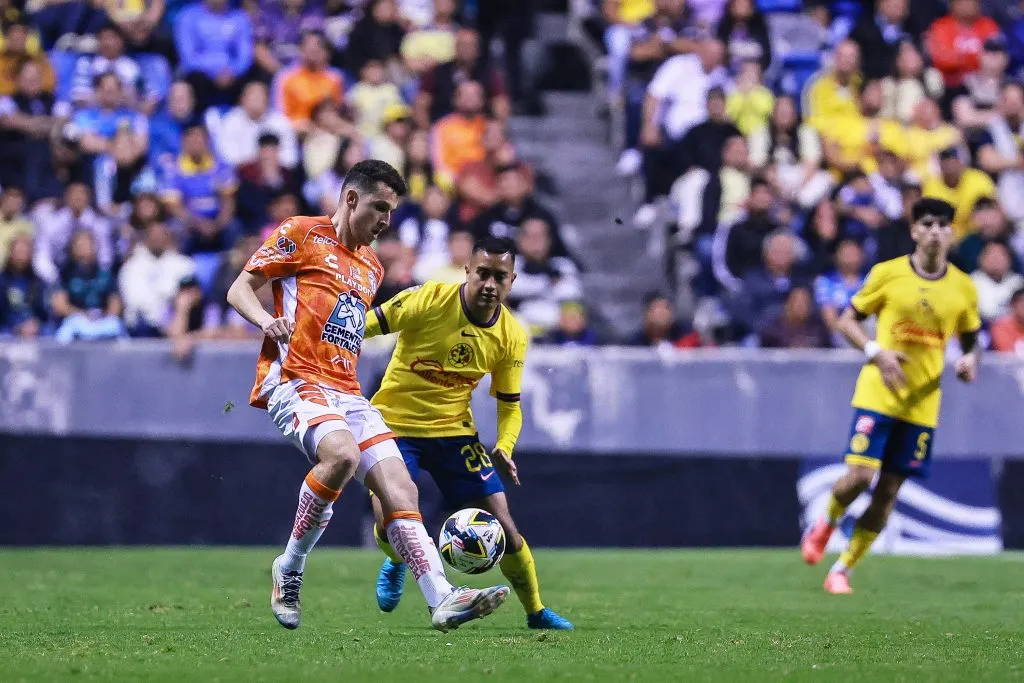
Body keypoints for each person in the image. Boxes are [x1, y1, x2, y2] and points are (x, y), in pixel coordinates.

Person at [225, 159, 509, 632]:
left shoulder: (372, 266)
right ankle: (289, 567)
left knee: (402, 488)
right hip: (295, 378)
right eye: (379, 207)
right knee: (341, 456)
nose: (385, 220)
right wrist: (266, 321)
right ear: (351, 199)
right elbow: (240, 289)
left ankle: (442, 598)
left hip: (347, 390)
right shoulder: (302, 232)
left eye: (391, 211)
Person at [361, 235, 573, 631]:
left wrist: (505, 445)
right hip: (392, 425)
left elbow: (509, 404)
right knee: (391, 517)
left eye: (500, 277)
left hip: (455, 434)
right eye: (483, 274)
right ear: (467, 271)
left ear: (512, 281)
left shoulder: (511, 335)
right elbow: (363, 326)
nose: (490, 284)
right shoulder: (429, 299)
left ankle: (536, 612)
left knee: (505, 528)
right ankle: (395, 559)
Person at [801, 197, 982, 594]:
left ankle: (842, 569)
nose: (935, 232)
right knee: (860, 477)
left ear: (952, 233)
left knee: (887, 494)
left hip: (922, 404)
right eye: (927, 224)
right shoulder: (888, 274)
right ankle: (827, 520)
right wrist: (876, 352)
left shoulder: (963, 287)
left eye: (943, 225)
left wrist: (970, 361)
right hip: (878, 393)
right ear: (914, 230)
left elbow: (971, 340)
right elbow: (848, 320)